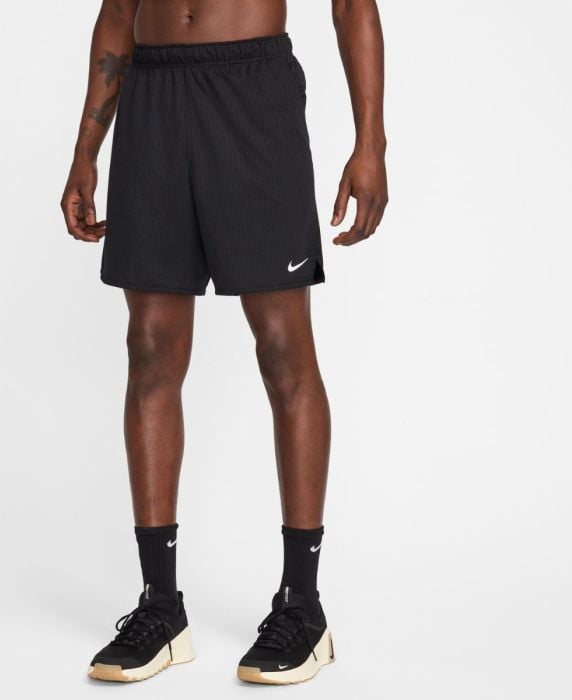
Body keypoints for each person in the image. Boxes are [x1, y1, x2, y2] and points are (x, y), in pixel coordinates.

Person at [60, 0, 387, 685]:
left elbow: (352, 5)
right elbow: (117, 14)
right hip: (152, 97)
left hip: (251, 90)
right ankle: (161, 607)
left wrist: (371, 142)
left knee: (282, 347)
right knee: (150, 346)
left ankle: (302, 606)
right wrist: (86, 150)